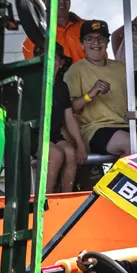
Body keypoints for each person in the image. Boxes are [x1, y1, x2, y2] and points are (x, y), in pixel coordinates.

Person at [64, 19, 137, 158]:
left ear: (107, 42)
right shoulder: (74, 71)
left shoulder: (121, 68)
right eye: (90, 39)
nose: (96, 43)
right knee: (133, 144)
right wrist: (90, 94)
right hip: (95, 129)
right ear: (81, 44)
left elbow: (131, 110)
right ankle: (120, 180)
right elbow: (70, 109)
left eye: (101, 39)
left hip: (125, 126)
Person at [42, 43, 88, 193]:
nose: (48, 61)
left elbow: (68, 116)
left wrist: (80, 144)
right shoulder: (34, 82)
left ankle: (65, 199)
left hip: (53, 136)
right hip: (34, 136)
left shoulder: (62, 87)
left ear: (61, 63)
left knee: (70, 152)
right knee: (56, 153)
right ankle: (45, 201)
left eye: (53, 58)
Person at [22, 0, 90, 65]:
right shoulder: (33, 40)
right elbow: (37, 74)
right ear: (44, 0)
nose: (61, 1)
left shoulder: (88, 28)